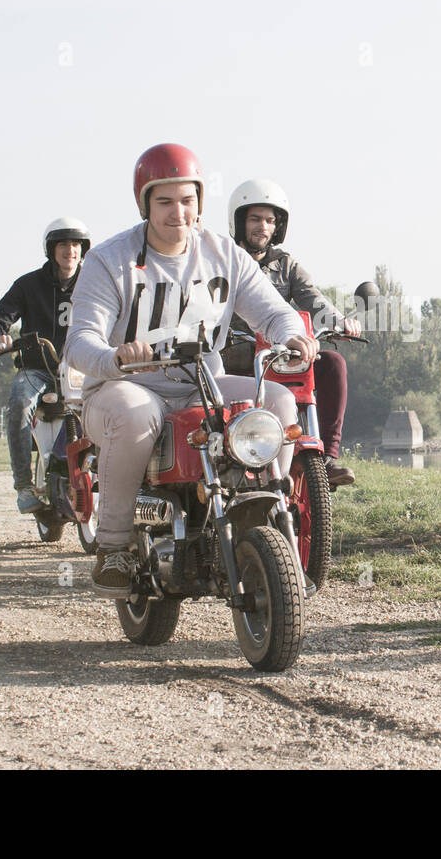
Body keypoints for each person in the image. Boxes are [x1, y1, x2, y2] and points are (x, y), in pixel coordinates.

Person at [64, 144, 317, 597]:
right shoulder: (108, 260)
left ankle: (266, 512)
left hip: (203, 384)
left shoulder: (225, 255)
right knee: (137, 413)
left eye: (187, 200)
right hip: (123, 389)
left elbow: (274, 312)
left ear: (201, 202)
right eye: (164, 201)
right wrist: (117, 357)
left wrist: (290, 337)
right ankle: (115, 544)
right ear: (144, 203)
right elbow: (80, 342)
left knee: (278, 399)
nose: (177, 213)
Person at [222, 178, 361, 486]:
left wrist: (339, 322)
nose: (263, 227)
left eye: (270, 220)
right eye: (256, 219)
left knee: (332, 364)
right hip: (237, 358)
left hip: (279, 355)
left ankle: (326, 456)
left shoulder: (286, 265)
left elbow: (314, 299)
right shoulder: (224, 262)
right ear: (240, 221)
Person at [0, 217, 91, 513]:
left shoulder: (95, 283)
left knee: (115, 404)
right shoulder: (29, 284)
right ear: (51, 249)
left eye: (75, 244)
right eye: (62, 244)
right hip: (38, 368)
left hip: (83, 369)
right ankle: (23, 486)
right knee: (19, 402)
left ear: (83, 250)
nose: (69, 250)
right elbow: (1, 318)